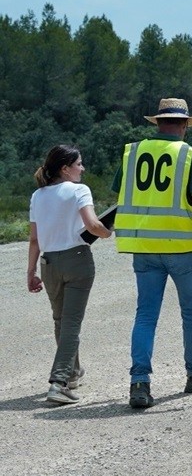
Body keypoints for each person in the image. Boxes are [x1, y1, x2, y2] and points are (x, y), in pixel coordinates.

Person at [113, 98, 192, 410]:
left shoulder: (132, 152)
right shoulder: (190, 155)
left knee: (145, 314)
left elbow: (122, 196)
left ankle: (139, 382)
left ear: (158, 123)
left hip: (144, 248)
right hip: (182, 247)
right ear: (184, 125)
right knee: (191, 311)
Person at [27, 145, 113, 405]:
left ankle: (73, 373)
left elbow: (34, 239)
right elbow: (92, 225)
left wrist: (30, 272)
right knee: (71, 324)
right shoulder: (79, 190)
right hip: (77, 261)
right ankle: (59, 382)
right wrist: (108, 232)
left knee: (60, 320)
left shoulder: (37, 196)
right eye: (79, 164)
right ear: (65, 169)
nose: (82, 168)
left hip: (49, 263)